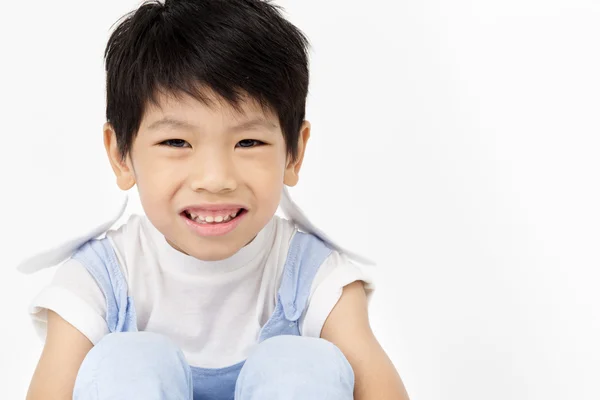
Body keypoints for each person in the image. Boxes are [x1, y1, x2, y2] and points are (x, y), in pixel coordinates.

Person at [20, 0, 410, 399]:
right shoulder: (99, 279)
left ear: (293, 152)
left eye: (248, 142)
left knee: (300, 365)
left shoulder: (313, 277)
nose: (215, 179)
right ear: (121, 155)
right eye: (176, 142)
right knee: (128, 360)